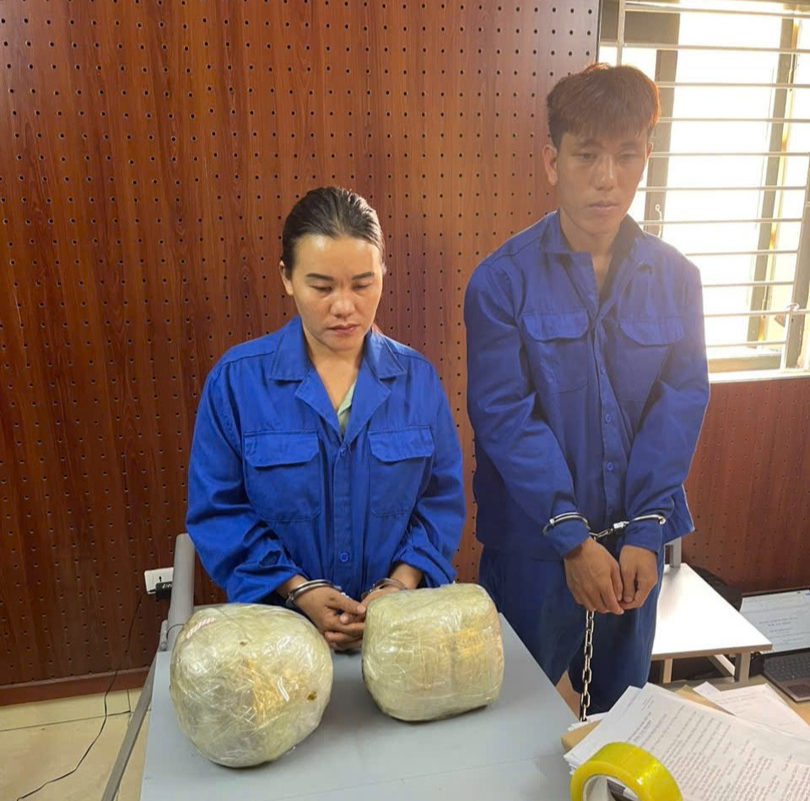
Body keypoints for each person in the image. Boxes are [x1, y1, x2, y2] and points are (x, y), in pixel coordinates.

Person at [464, 64, 710, 712]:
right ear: (553, 160)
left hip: (634, 541)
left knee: (621, 711)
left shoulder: (678, 280)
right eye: (587, 155)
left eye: (626, 155)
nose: (607, 177)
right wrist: (571, 538)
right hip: (533, 544)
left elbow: (680, 404)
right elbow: (504, 416)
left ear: (646, 157)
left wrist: (649, 530)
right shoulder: (500, 283)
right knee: (519, 712)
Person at [187, 186, 465, 651]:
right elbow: (218, 511)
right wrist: (298, 590)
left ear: (383, 274)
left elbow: (441, 501)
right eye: (322, 287)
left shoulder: (417, 381)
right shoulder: (235, 384)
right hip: (279, 634)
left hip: (395, 633)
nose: (344, 306)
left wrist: (400, 585)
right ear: (287, 278)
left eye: (362, 284)